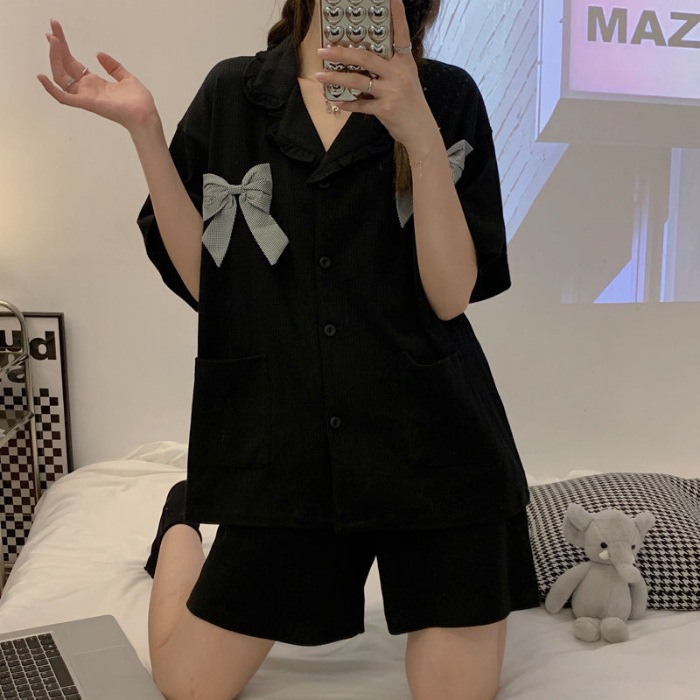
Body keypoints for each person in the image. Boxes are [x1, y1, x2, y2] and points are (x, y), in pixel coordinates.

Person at [37, 1, 541, 698]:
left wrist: (421, 136)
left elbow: (451, 296)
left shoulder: (447, 95)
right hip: (290, 443)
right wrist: (145, 130)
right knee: (190, 686)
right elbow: (208, 284)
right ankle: (182, 517)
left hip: (435, 442)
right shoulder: (234, 92)